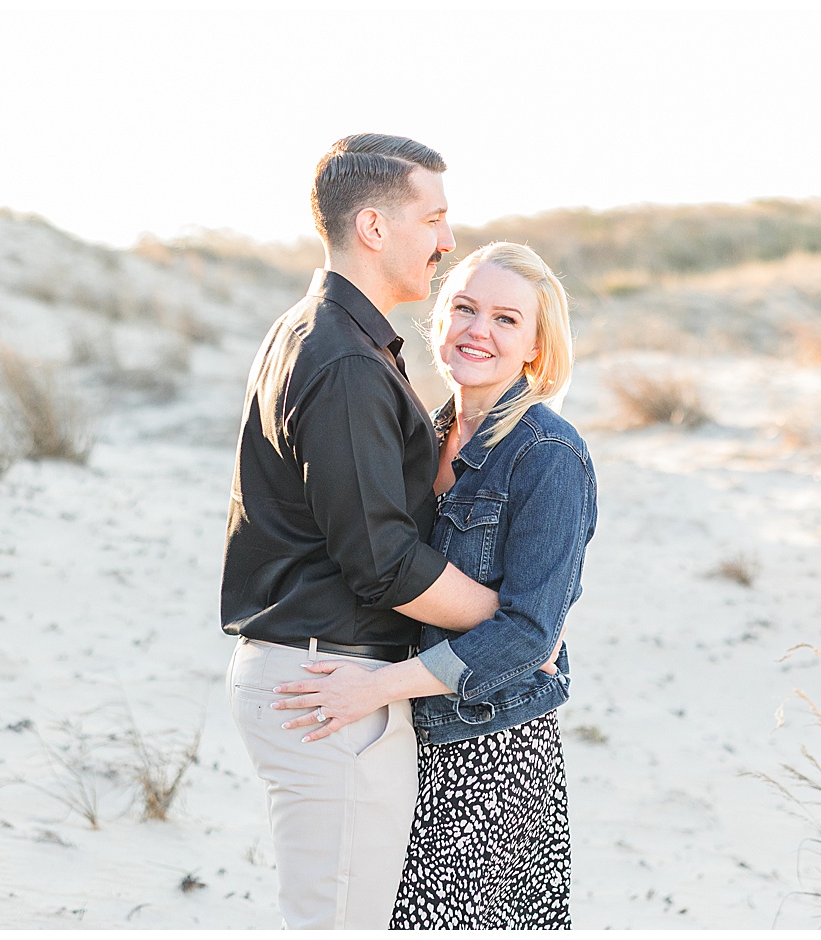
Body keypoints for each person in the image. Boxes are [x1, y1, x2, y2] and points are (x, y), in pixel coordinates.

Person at [221, 134, 502, 930]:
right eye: (434, 218)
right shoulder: (344, 358)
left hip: (323, 676)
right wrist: (511, 622)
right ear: (374, 227)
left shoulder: (320, 333)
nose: (448, 240)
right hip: (329, 685)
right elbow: (382, 560)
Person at [272, 241, 597, 929]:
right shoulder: (421, 436)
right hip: (408, 738)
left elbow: (530, 633)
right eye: (465, 308)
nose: (479, 330)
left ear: (537, 347)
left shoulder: (549, 455)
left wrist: (376, 688)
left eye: (507, 319)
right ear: (439, 321)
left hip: (491, 754)